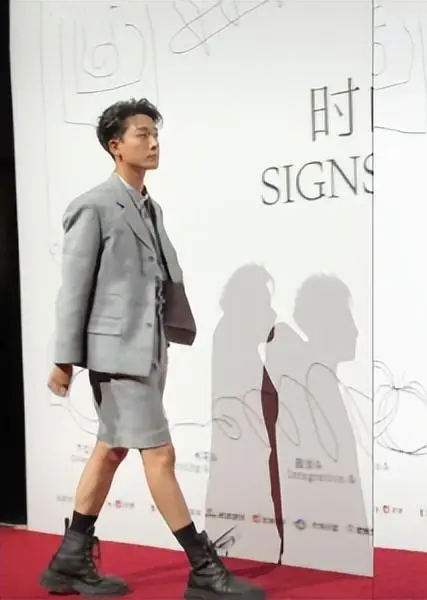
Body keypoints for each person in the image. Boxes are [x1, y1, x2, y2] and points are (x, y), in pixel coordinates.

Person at [42, 98, 265, 600]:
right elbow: (73, 290)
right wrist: (63, 361)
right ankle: (203, 568)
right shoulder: (94, 205)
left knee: (111, 449)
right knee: (160, 455)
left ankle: (69, 561)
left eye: (155, 134)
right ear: (115, 145)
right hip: (116, 356)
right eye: (142, 134)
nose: (153, 142)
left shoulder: (149, 205)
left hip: (146, 351)